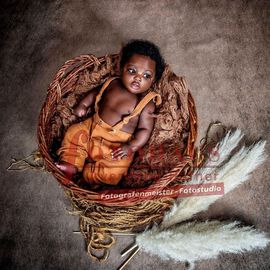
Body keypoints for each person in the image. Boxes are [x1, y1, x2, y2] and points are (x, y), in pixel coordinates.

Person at [56, 39, 165, 186]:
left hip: (116, 146)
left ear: (153, 80)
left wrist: (131, 147)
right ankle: (72, 165)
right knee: (74, 132)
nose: (138, 77)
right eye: (132, 71)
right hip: (91, 129)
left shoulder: (147, 102)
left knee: (115, 171)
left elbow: (145, 129)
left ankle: (89, 177)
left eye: (146, 76)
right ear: (121, 68)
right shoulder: (112, 83)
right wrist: (83, 104)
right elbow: (96, 94)